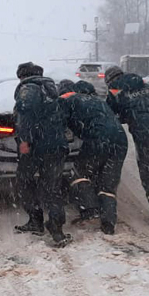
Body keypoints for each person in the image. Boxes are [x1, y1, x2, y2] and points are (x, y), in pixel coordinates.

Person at [105, 66, 149, 228]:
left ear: (109, 80)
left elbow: (110, 114)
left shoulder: (115, 89)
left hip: (144, 130)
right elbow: (140, 105)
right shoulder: (143, 83)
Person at [13, 62, 71, 247]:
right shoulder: (52, 89)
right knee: (52, 187)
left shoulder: (28, 88)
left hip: (36, 145)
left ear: (22, 76)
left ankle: (35, 221)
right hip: (56, 144)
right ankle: (57, 229)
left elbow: (26, 115)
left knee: (24, 181)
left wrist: (24, 141)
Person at [60, 80, 128, 235]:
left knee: (79, 173)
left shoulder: (67, 99)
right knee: (108, 182)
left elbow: (59, 121)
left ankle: (90, 210)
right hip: (120, 139)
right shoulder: (98, 100)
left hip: (98, 138)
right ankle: (108, 223)